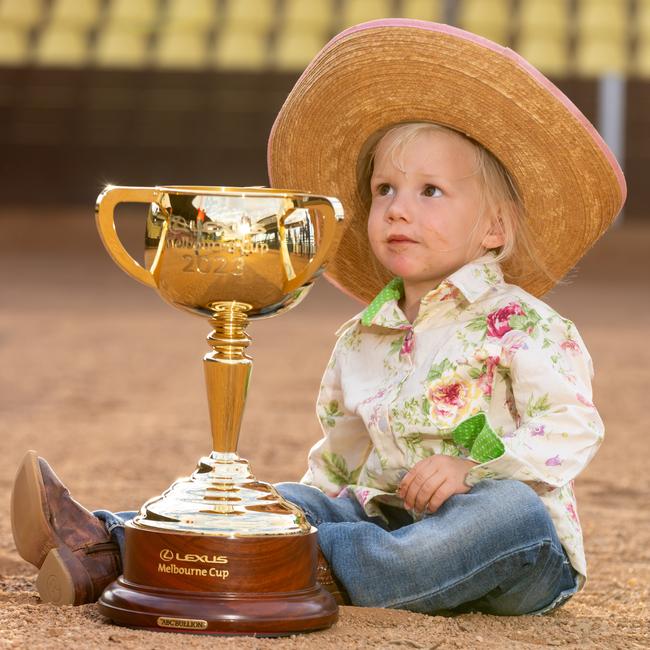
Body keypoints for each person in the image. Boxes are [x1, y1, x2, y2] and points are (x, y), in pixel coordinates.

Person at [11, 19, 625, 615]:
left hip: (509, 554)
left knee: (508, 512)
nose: (397, 210)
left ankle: (289, 561)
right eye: (384, 189)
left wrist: (473, 468)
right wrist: (296, 509)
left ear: (494, 227)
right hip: (382, 525)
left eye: (429, 192)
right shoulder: (363, 337)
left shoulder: (525, 325)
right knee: (292, 500)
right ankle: (109, 544)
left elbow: (572, 426)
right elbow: (337, 458)